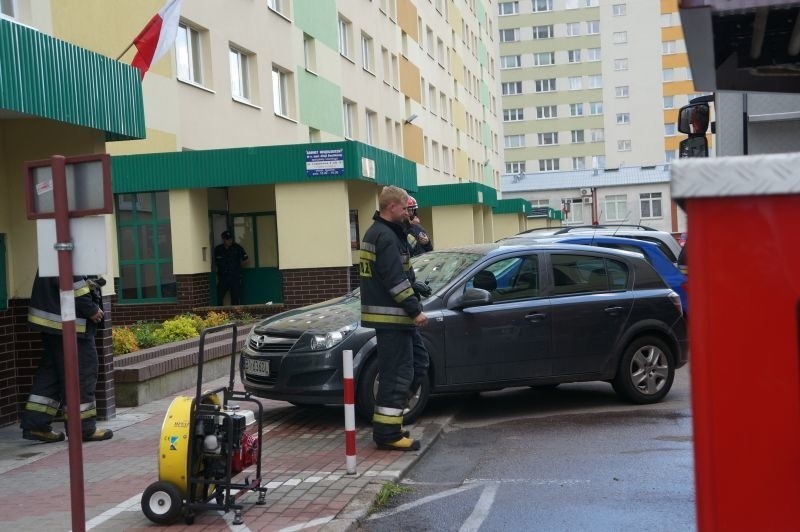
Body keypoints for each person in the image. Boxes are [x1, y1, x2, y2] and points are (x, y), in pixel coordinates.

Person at [359, 186, 428, 451]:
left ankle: (392, 422)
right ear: (391, 208)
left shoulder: (384, 234)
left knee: (417, 364)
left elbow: (401, 274)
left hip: (397, 319)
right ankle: (387, 434)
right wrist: (415, 310)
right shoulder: (384, 236)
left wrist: (416, 286)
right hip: (394, 318)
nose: (408, 212)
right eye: (404, 207)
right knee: (396, 374)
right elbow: (394, 281)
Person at [20, 272, 113, 443]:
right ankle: (83, 428)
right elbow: (73, 282)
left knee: (52, 374)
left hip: (54, 324)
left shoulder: (52, 248)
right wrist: (90, 308)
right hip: (71, 326)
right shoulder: (68, 247)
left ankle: (36, 424)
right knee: (82, 372)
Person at [214, 230, 249, 305]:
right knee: (218, 297)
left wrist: (238, 268)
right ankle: (219, 315)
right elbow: (215, 262)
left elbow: (246, 260)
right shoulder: (218, 249)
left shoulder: (237, 248)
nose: (230, 241)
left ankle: (234, 315)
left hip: (234, 277)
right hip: (223, 277)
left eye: (231, 239)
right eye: (228, 239)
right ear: (223, 239)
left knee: (235, 298)